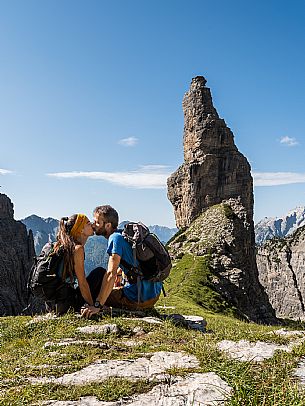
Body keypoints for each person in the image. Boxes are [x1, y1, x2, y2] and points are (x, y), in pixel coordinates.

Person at [81, 205, 163, 318]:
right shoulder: (124, 235)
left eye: (97, 222)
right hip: (154, 293)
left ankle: (99, 308)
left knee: (94, 293)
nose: (93, 225)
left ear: (108, 225)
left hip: (139, 298)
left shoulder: (115, 239)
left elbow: (110, 273)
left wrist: (97, 305)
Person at [46, 213, 104, 315]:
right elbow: (82, 282)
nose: (91, 224)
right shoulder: (77, 249)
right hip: (66, 303)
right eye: (87, 223)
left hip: (54, 303)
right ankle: (88, 307)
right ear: (81, 230)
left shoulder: (65, 245)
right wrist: (92, 306)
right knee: (100, 273)